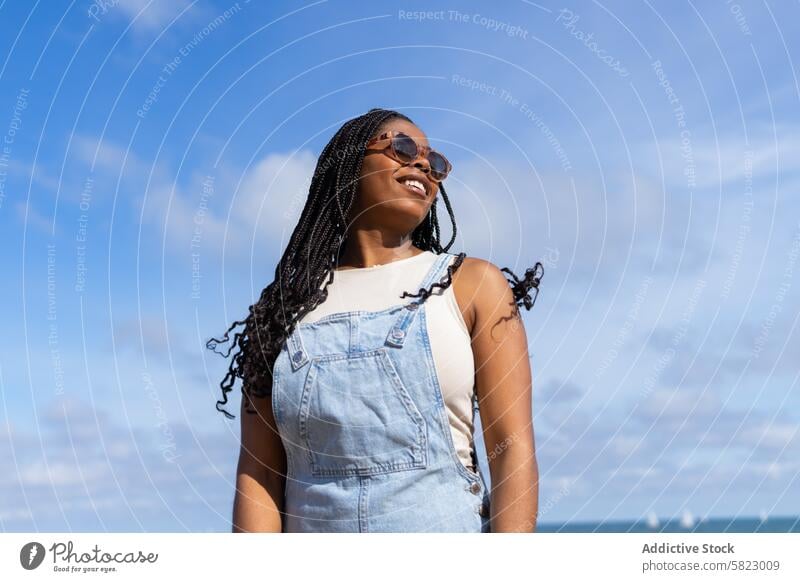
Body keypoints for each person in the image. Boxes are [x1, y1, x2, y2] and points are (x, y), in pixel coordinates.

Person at [207, 107, 543, 532]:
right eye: (402, 148)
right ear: (348, 164)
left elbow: (511, 450)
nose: (423, 164)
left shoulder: (472, 285)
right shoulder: (280, 313)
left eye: (435, 161)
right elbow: (260, 477)